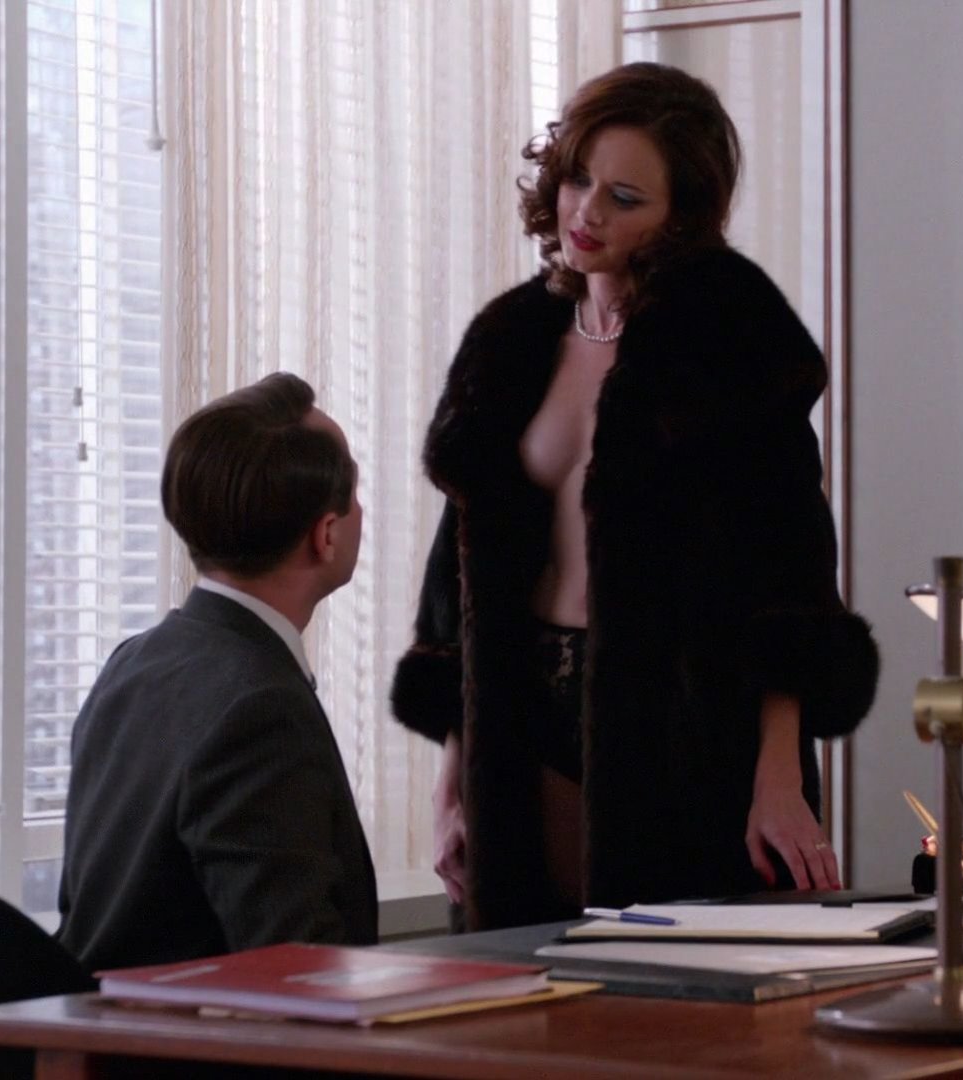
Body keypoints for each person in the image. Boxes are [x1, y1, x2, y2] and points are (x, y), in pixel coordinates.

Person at [389, 63, 879, 931]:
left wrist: (780, 780)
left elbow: (793, 583)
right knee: (522, 982)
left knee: (663, 985)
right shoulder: (511, 339)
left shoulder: (732, 343)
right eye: (578, 178)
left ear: (681, 217)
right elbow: (460, 577)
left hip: (685, 725)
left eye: (624, 198)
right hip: (520, 722)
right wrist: (450, 781)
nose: (586, 213)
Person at [57, 372, 377, 971]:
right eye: (354, 493)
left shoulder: (134, 663)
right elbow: (296, 968)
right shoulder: (261, 709)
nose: (361, 510)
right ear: (326, 535)